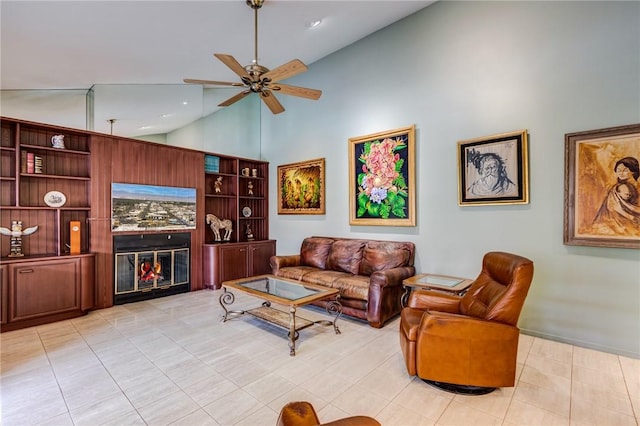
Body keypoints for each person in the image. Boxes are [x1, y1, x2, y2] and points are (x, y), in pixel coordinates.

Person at [592, 156, 640, 235]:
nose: (621, 173)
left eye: (625, 170)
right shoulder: (615, 190)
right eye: (618, 170)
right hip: (615, 226)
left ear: (633, 171)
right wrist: (630, 217)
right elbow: (611, 208)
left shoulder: (638, 187)